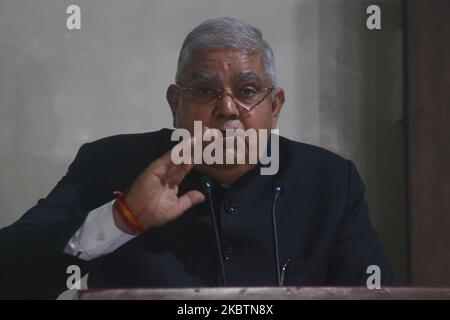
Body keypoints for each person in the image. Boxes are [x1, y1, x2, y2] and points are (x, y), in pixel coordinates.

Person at [0, 17, 393, 299]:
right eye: (204, 90)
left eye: (247, 90)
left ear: (275, 107)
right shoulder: (108, 164)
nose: (227, 108)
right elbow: (10, 272)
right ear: (175, 104)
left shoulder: (329, 181)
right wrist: (122, 220)